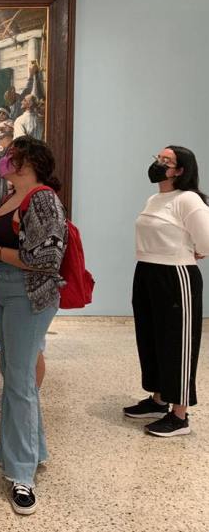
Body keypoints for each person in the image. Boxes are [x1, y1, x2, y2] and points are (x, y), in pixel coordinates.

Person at [0, 136, 67, 515]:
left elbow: (48, 257)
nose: (5, 159)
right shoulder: (11, 196)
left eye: (12, 154)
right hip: (5, 290)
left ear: (28, 161)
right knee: (12, 370)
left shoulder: (41, 197)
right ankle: (27, 449)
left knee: (21, 379)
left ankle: (22, 473)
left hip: (28, 292)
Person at [124, 146, 209, 437]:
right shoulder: (155, 198)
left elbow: (207, 241)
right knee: (151, 337)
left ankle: (180, 415)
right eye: (157, 159)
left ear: (180, 170)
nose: (158, 164)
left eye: (166, 160)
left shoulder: (188, 199)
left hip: (176, 276)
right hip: (147, 272)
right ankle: (159, 400)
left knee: (178, 343)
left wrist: (196, 251)